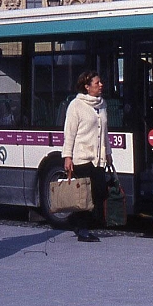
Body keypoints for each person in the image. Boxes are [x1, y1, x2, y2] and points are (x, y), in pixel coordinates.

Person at [61, 70, 111, 243]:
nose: (101, 85)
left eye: (100, 82)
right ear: (87, 87)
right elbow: (70, 133)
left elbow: (105, 133)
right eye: (97, 83)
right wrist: (67, 156)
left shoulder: (102, 104)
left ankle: (76, 221)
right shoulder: (76, 105)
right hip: (81, 157)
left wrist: (109, 154)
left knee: (99, 192)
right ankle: (82, 229)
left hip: (98, 157)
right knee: (84, 196)